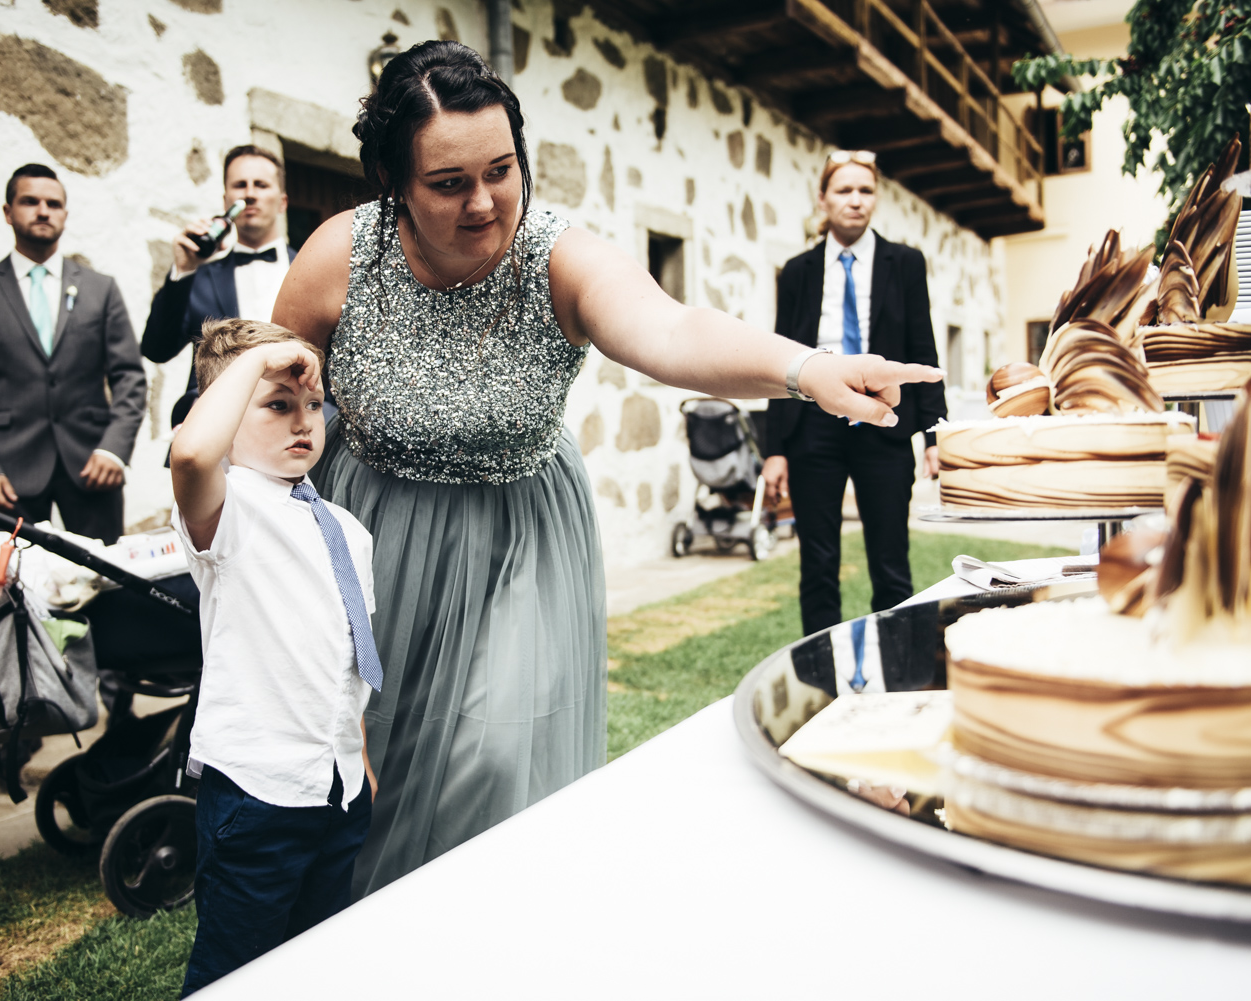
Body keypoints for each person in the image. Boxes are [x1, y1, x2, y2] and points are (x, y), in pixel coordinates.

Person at [272, 40, 943, 896]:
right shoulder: (341, 256)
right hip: (379, 539)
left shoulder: (555, 257)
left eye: (501, 170)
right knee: (384, 764)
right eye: (449, 184)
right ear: (395, 184)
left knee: (495, 754)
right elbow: (267, 389)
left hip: (520, 539)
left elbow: (669, 329)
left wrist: (806, 370)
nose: (483, 203)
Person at [170, 317, 376, 996]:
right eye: (277, 404)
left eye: (312, 405)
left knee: (316, 959)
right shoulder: (229, 509)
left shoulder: (347, 529)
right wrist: (263, 358)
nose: (303, 422)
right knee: (237, 969)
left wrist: (360, 757)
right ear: (225, 412)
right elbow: (193, 453)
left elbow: (349, 655)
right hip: (258, 792)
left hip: (336, 786)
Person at [761, 151, 947, 637]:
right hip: (811, 426)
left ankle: (901, 665)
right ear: (822, 199)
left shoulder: (905, 263)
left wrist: (934, 438)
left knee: (891, 561)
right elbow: (782, 357)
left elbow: (921, 346)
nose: (855, 201)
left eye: (865, 191)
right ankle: (822, 676)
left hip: (882, 420)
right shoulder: (797, 271)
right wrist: (775, 449)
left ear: (876, 198)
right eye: (844, 190)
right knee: (818, 564)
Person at [0, 163, 147, 545]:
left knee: (104, 583)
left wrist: (114, 449)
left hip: (92, 463)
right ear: (8, 212)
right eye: (30, 201)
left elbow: (129, 377)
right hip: (7, 472)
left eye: (53, 203)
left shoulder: (99, 289)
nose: (43, 211)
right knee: (14, 588)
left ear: (65, 215)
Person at [142, 145, 308, 429]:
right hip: (213, 429)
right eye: (240, 185)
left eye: (261, 184)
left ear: (282, 202)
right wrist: (184, 270)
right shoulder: (199, 276)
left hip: (298, 425)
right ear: (226, 200)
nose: (250, 193)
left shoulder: (309, 270)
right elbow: (157, 349)